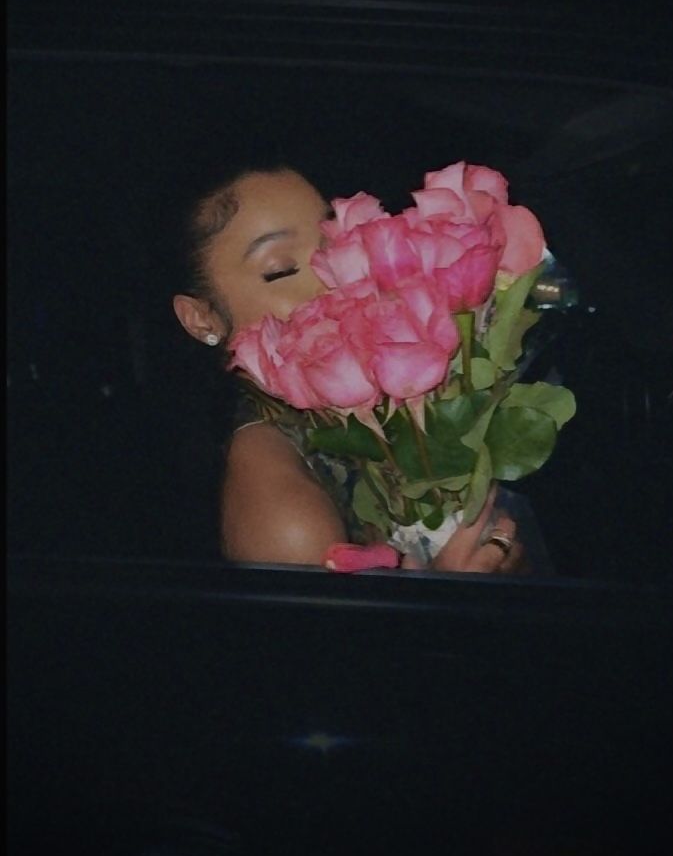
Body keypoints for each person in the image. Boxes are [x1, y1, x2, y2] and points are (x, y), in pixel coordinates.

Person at [172, 162, 529, 574]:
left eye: (331, 245)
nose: (333, 279)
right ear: (202, 319)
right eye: (281, 270)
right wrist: (449, 598)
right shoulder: (282, 507)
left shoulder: (388, 406)